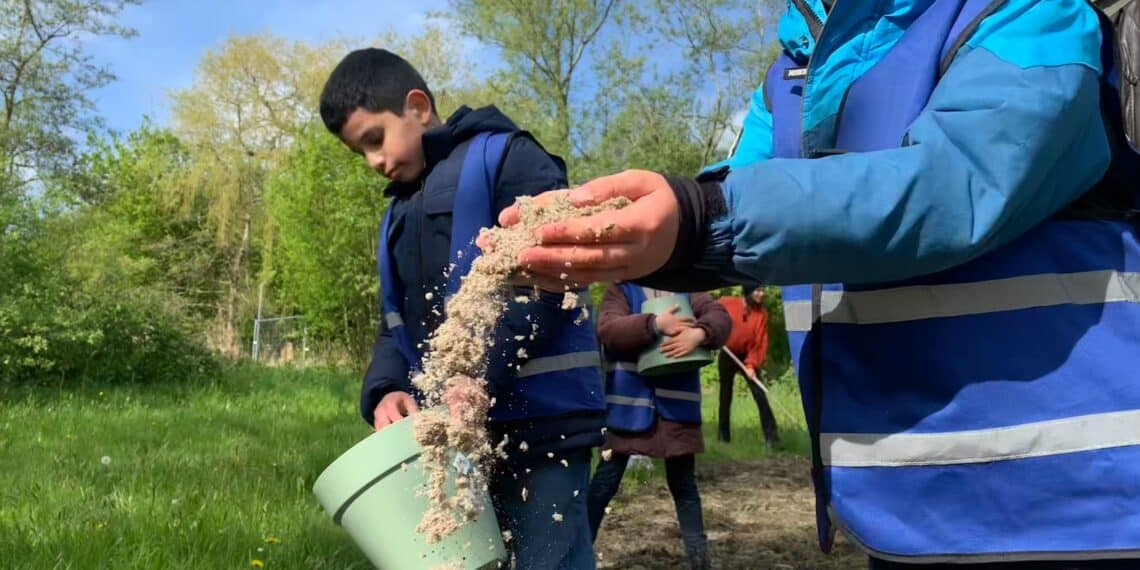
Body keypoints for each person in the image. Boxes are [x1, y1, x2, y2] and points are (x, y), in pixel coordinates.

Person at [488, 0, 1140, 568]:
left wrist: (696, 219)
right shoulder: (790, 74)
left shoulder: (1025, 12)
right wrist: (618, 232)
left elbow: (954, 183)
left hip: (1072, 497)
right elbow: (734, 208)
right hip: (898, 502)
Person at [319, 48, 605, 569]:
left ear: (417, 107)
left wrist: (479, 370)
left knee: (548, 558)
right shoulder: (397, 214)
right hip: (453, 440)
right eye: (359, 152)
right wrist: (387, 389)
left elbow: (547, 279)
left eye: (375, 139)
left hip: (544, 420)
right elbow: (394, 323)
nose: (374, 162)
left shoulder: (511, 158)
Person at [585, 284, 731, 570]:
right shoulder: (622, 290)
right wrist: (654, 324)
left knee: (684, 486)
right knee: (604, 483)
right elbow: (609, 330)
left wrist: (699, 334)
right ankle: (576, 555)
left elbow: (719, 315)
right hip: (628, 411)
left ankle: (700, 561)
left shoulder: (687, 286)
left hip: (676, 411)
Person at [716, 286, 778, 446]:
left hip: (748, 356)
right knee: (725, 396)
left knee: (759, 394)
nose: (761, 294)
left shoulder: (762, 314)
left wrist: (751, 364)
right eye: (757, 291)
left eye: (763, 290)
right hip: (728, 352)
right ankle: (723, 438)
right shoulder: (728, 303)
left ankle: (772, 438)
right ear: (748, 291)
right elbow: (711, 313)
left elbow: (760, 342)